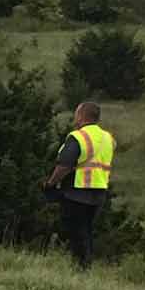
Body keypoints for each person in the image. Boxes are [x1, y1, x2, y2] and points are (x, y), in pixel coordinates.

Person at [42, 101, 114, 269]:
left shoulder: (78, 137)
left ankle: (80, 267)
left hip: (77, 192)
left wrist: (51, 183)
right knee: (86, 231)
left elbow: (65, 165)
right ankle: (85, 266)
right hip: (99, 192)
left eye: (76, 114)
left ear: (81, 116)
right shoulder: (107, 138)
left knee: (76, 232)